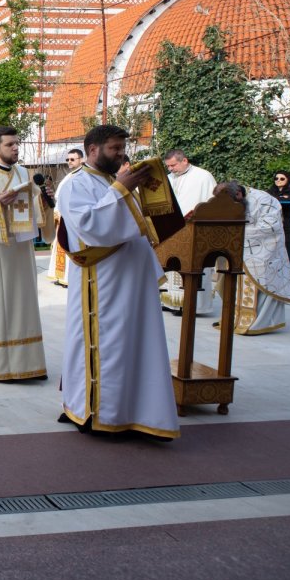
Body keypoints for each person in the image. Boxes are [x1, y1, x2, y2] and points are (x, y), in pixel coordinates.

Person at [57, 125, 179, 439]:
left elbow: (140, 223)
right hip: (104, 282)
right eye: (114, 148)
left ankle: (136, 410)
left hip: (133, 280)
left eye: (123, 148)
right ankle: (103, 414)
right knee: (109, 344)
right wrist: (121, 190)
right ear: (93, 149)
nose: (121, 154)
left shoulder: (113, 181)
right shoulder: (76, 184)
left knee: (137, 344)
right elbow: (89, 226)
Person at [0, 126, 54, 381]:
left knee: (25, 304)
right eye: (10, 145)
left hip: (22, 249)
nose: (16, 148)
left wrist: (44, 201)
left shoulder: (24, 173)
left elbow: (33, 208)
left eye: (17, 144)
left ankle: (28, 364)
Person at [214, 181, 290, 335]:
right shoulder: (231, 198)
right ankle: (235, 319)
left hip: (264, 250)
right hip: (240, 250)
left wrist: (237, 231)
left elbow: (270, 227)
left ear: (238, 194)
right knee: (233, 283)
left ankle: (258, 322)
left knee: (260, 285)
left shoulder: (264, 200)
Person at [160, 149, 217, 315]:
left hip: (195, 231)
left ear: (184, 160)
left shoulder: (203, 177)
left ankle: (191, 304)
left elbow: (212, 203)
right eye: (168, 166)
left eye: (173, 165)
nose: (170, 169)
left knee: (193, 265)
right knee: (172, 265)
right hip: (172, 230)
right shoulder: (169, 178)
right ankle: (171, 302)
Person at [46, 148, 84, 287]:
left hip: (72, 221)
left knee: (70, 248)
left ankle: (68, 278)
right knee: (59, 247)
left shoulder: (83, 176)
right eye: (67, 159)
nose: (69, 162)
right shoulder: (70, 176)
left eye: (72, 159)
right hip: (62, 219)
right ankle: (60, 276)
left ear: (82, 160)